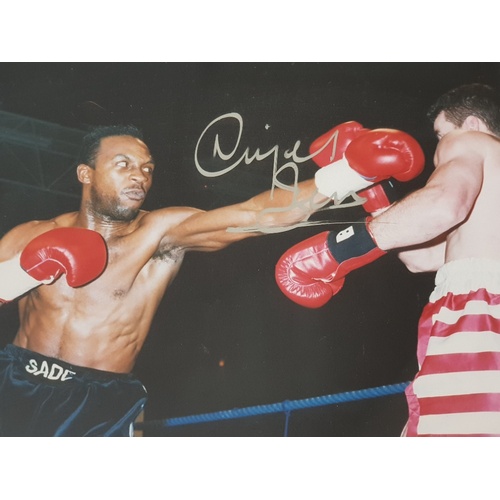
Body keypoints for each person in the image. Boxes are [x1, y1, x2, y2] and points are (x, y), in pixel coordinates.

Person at [0, 122, 424, 436]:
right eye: (123, 164)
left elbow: (254, 216)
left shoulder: (158, 234)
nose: (139, 177)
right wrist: (20, 272)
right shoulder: (30, 235)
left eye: (147, 168)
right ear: (85, 174)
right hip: (14, 378)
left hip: (98, 400)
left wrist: (350, 174)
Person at [276, 83, 500, 436]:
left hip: (480, 314)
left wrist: (336, 251)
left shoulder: (470, 141)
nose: (441, 144)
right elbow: (422, 257)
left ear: (472, 123)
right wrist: (371, 189)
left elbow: (442, 205)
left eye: (442, 133)